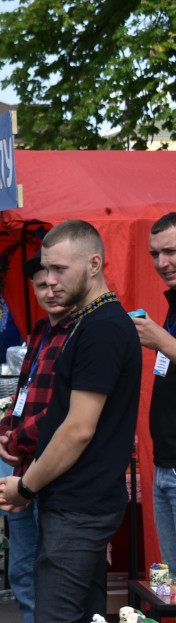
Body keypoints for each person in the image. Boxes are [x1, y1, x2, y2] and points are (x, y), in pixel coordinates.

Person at [0, 220, 141, 623]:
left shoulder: (102, 328)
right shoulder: (85, 324)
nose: (49, 280)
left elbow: (78, 429)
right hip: (77, 500)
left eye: (60, 268)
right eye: (45, 270)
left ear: (94, 264)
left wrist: (25, 487)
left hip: (82, 505)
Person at [0, 255, 74, 623]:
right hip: (24, 470)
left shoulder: (80, 333)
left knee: (48, 580)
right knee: (23, 574)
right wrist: (5, 429)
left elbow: (63, 413)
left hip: (55, 475)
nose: (48, 291)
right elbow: (24, 397)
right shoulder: (41, 331)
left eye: (54, 282)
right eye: (40, 285)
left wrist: (17, 434)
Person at [133, 212, 176, 566]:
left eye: (171, 251)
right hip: (164, 465)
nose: (162, 263)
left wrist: (163, 341)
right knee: (172, 582)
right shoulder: (173, 304)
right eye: (155, 254)